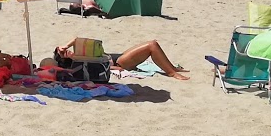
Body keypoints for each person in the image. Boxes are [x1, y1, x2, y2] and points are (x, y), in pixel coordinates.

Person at [58, 37, 188, 79]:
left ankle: (172, 68)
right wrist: (115, 68)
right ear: (65, 59)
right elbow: (100, 68)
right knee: (152, 45)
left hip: (120, 56)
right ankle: (172, 73)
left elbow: (76, 39)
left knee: (151, 44)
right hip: (121, 63)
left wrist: (65, 46)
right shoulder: (77, 61)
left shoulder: (78, 53)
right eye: (65, 52)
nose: (68, 50)